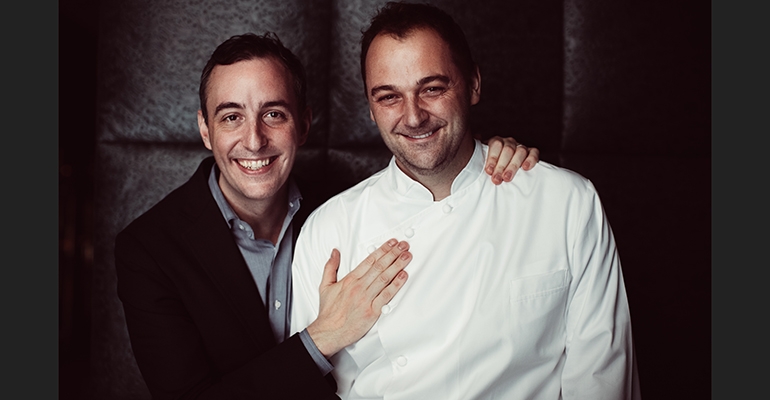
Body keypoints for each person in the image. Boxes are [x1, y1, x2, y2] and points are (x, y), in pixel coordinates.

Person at [114, 31, 539, 399]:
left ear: (304, 124)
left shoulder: (340, 211)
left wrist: (487, 158)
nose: (254, 139)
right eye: (231, 117)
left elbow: (433, 168)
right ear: (206, 130)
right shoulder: (148, 251)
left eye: (273, 114)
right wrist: (322, 337)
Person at [290, 2, 642, 399]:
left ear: (473, 84)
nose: (413, 116)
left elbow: (601, 379)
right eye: (389, 97)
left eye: (432, 89)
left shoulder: (566, 203)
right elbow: (307, 389)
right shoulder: (329, 230)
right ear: (370, 109)